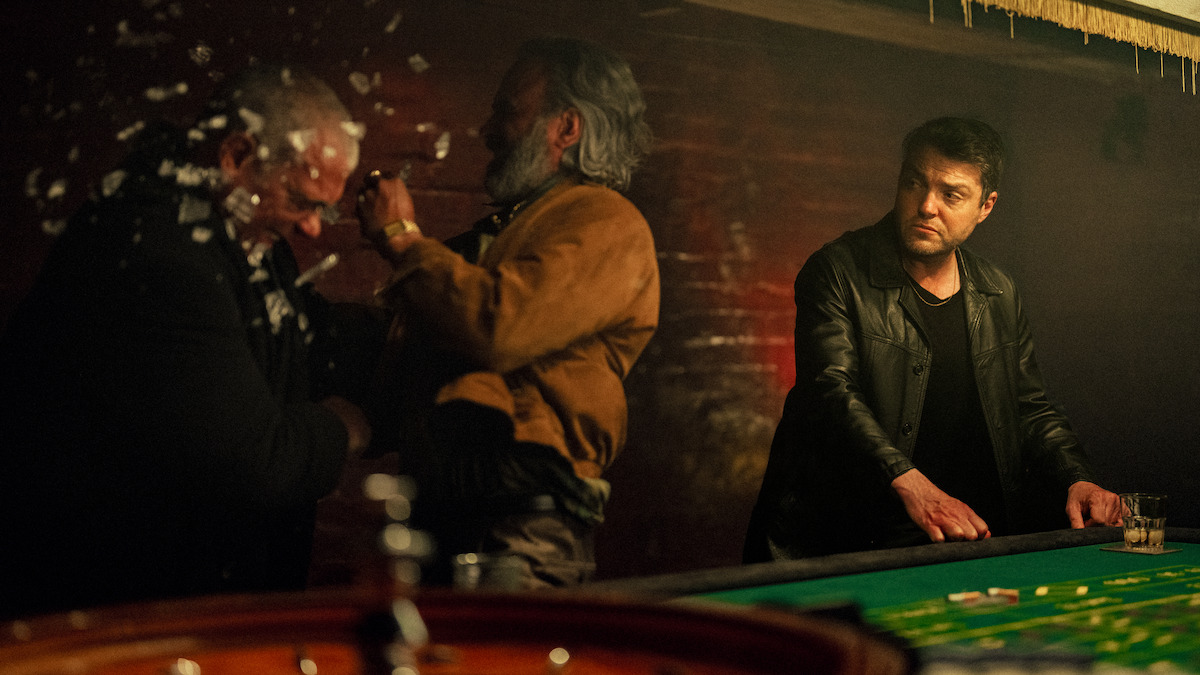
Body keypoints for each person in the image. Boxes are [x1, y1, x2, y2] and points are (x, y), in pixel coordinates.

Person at [0, 64, 377, 617]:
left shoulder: (231, 226)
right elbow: (257, 461)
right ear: (237, 157)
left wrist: (419, 302)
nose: (315, 228)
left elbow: (303, 333)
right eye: (303, 201)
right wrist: (346, 429)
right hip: (108, 613)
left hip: (162, 604)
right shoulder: (158, 251)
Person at [744, 117, 1121, 562]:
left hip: (961, 541)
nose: (926, 206)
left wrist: (1077, 478)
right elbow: (830, 391)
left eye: (951, 194)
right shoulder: (837, 271)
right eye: (914, 184)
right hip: (845, 541)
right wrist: (910, 482)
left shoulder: (998, 291)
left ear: (986, 206)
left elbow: (1029, 407)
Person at [357, 36, 658, 588]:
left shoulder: (606, 222)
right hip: (447, 520)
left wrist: (401, 239)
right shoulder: (509, 232)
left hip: (517, 536)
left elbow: (499, 327)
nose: (487, 131)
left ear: (566, 128)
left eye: (508, 112)